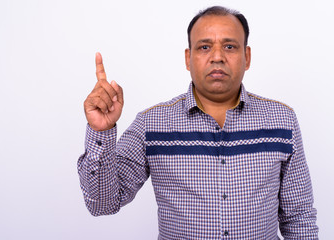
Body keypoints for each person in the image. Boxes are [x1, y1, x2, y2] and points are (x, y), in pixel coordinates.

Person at [77, 6, 319, 239]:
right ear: (188, 58)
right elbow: (102, 204)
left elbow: (299, 218)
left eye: (229, 46)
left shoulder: (282, 120)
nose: (217, 57)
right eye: (204, 47)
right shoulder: (152, 124)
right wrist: (102, 131)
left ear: (246, 57)